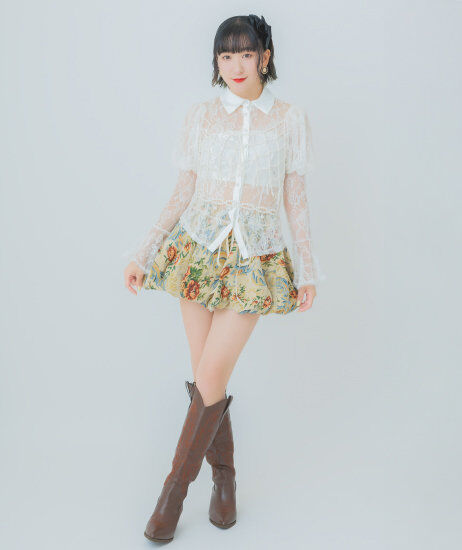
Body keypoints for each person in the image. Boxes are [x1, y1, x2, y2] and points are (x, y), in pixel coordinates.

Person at [123, 13, 326, 543]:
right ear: (217, 60)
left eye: (246, 53)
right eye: (226, 54)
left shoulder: (288, 119)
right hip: (196, 252)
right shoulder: (202, 116)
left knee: (210, 377)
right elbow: (184, 189)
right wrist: (143, 251)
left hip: (255, 259)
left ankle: (171, 496)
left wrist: (307, 269)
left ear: (265, 57)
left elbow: (295, 200)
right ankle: (225, 480)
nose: (236, 65)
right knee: (205, 379)